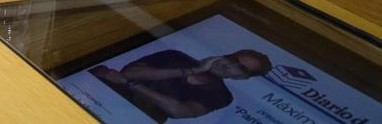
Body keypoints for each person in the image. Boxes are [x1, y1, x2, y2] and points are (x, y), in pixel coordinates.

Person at [91, 48, 272, 121]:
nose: (229, 66)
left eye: (240, 68)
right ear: (225, 55)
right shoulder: (176, 56)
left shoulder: (222, 96)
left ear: (242, 77)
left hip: (136, 117)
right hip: (105, 96)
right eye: (233, 59)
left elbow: (180, 111)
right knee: (98, 72)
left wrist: (132, 84)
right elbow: (131, 72)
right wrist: (193, 70)